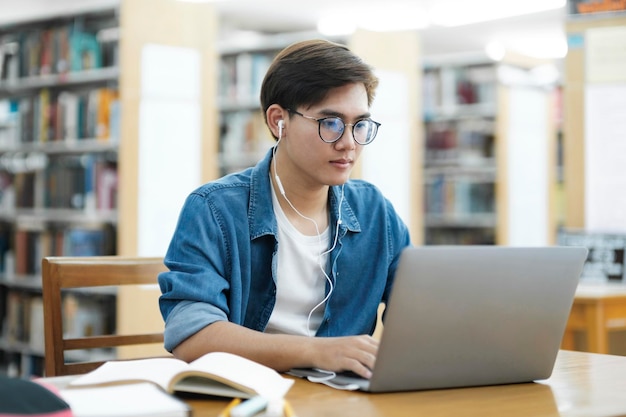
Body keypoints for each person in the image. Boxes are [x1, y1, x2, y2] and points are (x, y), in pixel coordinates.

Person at [158, 39, 412, 379]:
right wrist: (318, 352)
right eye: (331, 123)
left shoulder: (375, 212)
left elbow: (419, 318)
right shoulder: (213, 209)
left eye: (359, 124)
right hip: (250, 395)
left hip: (342, 400)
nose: (349, 142)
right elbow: (191, 334)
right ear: (279, 121)